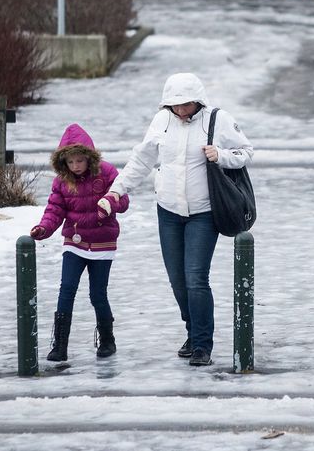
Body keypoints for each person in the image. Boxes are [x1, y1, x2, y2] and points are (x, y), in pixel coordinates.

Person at [107, 72, 254, 367]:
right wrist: (115, 191)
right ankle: (192, 329)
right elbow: (142, 160)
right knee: (177, 281)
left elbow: (246, 152)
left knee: (196, 278)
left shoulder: (218, 119)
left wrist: (221, 155)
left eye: (184, 104)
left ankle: (202, 345)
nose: (179, 110)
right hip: (168, 211)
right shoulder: (161, 121)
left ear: (197, 101)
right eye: (174, 105)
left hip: (204, 212)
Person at [31, 123, 129, 362]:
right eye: (70, 162)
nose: (75, 167)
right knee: (66, 290)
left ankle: (107, 340)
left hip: (102, 243)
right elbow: (55, 209)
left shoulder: (107, 173)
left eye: (79, 161)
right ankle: (60, 345)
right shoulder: (62, 181)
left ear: (89, 158)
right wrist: (44, 228)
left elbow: (123, 201)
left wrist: (111, 203)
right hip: (74, 242)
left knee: (97, 294)